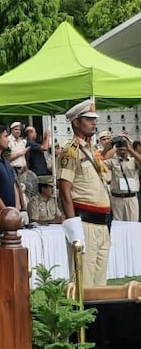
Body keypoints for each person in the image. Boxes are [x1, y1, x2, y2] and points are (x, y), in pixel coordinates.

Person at [58, 98, 111, 287]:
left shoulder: (92, 149)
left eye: (94, 118)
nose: (94, 122)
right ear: (76, 122)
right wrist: (75, 231)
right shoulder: (70, 151)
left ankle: (99, 318)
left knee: (100, 284)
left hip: (101, 223)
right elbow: (64, 191)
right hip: (84, 223)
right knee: (84, 284)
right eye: (88, 119)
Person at [0, 124, 23, 242]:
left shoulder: (6, 162)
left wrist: (16, 209)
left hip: (12, 219)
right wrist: (7, 213)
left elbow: (13, 185)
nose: (8, 140)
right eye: (5, 137)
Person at [104, 134, 140, 222]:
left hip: (131, 198)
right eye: (119, 145)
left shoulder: (133, 160)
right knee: (118, 226)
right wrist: (108, 148)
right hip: (117, 199)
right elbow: (98, 163)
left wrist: (130, 149)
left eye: (124, 144)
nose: (122, 147)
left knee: (133, 226)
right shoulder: (112, 161)